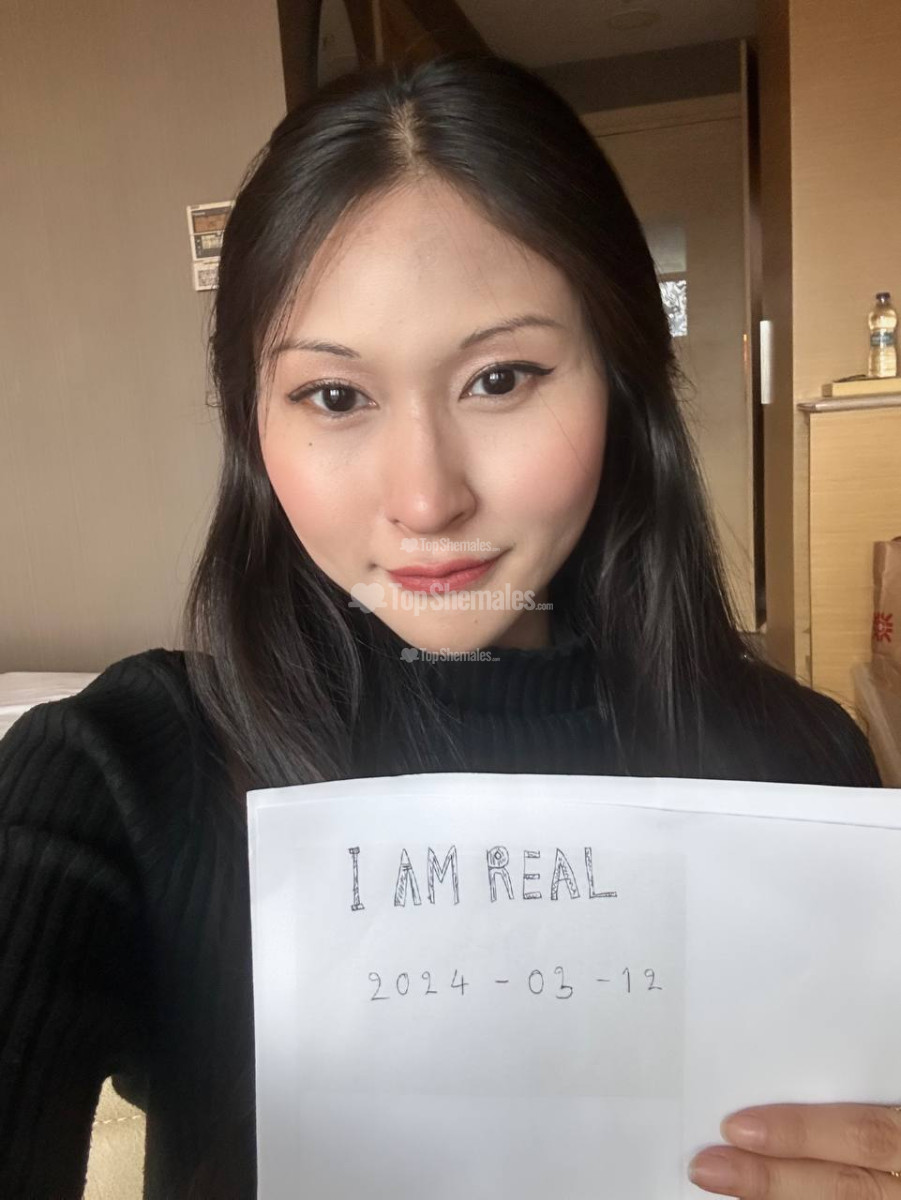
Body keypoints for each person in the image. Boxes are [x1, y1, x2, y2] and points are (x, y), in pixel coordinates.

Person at [0, 51, 892, 1200]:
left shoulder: (809, 769)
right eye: (335, 396)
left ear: (622, 381)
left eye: (501, 378)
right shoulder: (115, 779)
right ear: (252, 423)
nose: (425, 500)